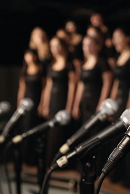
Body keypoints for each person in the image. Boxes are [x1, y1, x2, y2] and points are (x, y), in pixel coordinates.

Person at [109, 26, 130, 188]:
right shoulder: (119, 56)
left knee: (128, 141)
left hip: (129, 104)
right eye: (114, 38)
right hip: (119, 102)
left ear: (127, 38)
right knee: (117, 139)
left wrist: (128, 109)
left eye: (118, 37)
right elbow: (116, 83)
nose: (116, 41)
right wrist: (113, 104)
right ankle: (118, 175)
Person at [42, 36, 75, 166]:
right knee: (51, 132)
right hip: (52, 102)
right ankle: (50, 161)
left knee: (60, 132)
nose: (55, 49)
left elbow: (73, 86)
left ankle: (61, 164)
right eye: (52, 46)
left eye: (57, 46)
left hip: (63, 100)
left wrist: (69, 106)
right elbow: (48, 86)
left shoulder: (69, 64)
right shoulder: (51, 64)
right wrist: (44, 104)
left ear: (62, 46)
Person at [72, 35, 112, 126]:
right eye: (85, 45)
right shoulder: (84, 64)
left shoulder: (102, 63)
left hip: (97, 100)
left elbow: (107, 84)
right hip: (85, 103)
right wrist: (76, 104)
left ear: (97, 46)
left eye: (90, 45)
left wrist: (101, 105)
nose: (87, 48)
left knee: (96, 128)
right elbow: (81, 85)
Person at [17, 48, 45, 165]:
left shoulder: (40, 69)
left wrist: (42, 104)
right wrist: (19, 104)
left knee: (34, 127)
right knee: (25, 127)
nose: (30, 57)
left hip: (36, 100)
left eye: (32, 55)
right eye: (27, 55)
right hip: (26, 101)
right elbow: (22, 88)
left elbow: (44, 87)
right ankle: (24, 157)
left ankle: (32, 159)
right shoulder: (24, 70)